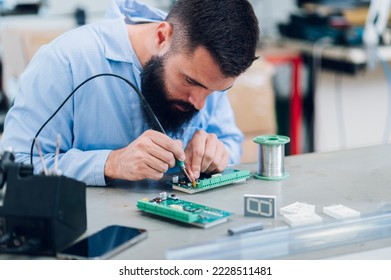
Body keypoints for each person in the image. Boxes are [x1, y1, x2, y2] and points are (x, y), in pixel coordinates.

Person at [0, 0, 259, 186]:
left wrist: (216, 154)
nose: (201, 104)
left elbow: (230, 142)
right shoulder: (65, 61)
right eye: (190, 81)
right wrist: (111, 164)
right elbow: (18, 166)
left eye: (216, 91)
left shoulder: (207, 70)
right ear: (162, 37)